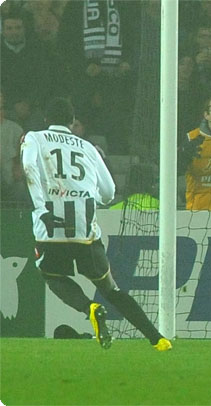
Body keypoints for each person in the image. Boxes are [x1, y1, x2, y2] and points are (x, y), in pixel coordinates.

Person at [21, 97, 171, 351]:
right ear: (72, 121)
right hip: (85, 230)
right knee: (110, 288)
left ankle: (89, 308)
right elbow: (109, 191)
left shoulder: (35, 138)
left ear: (46, 119)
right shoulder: (88, 147)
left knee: (52, 275)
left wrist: (41, 207)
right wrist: (88, 196)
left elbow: (28, 167)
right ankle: (158, 338)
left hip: (50, 226)